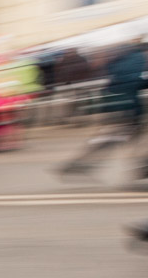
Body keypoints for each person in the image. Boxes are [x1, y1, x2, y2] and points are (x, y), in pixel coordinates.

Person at [59, 35, 146, 179]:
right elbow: (131, 81)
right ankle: (78, 165)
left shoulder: (120, 59)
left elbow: (121, 80)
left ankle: (78, 165)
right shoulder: (135, 58)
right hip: (127, 107)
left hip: (115, 105)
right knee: (115, 138)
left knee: (115, 138)